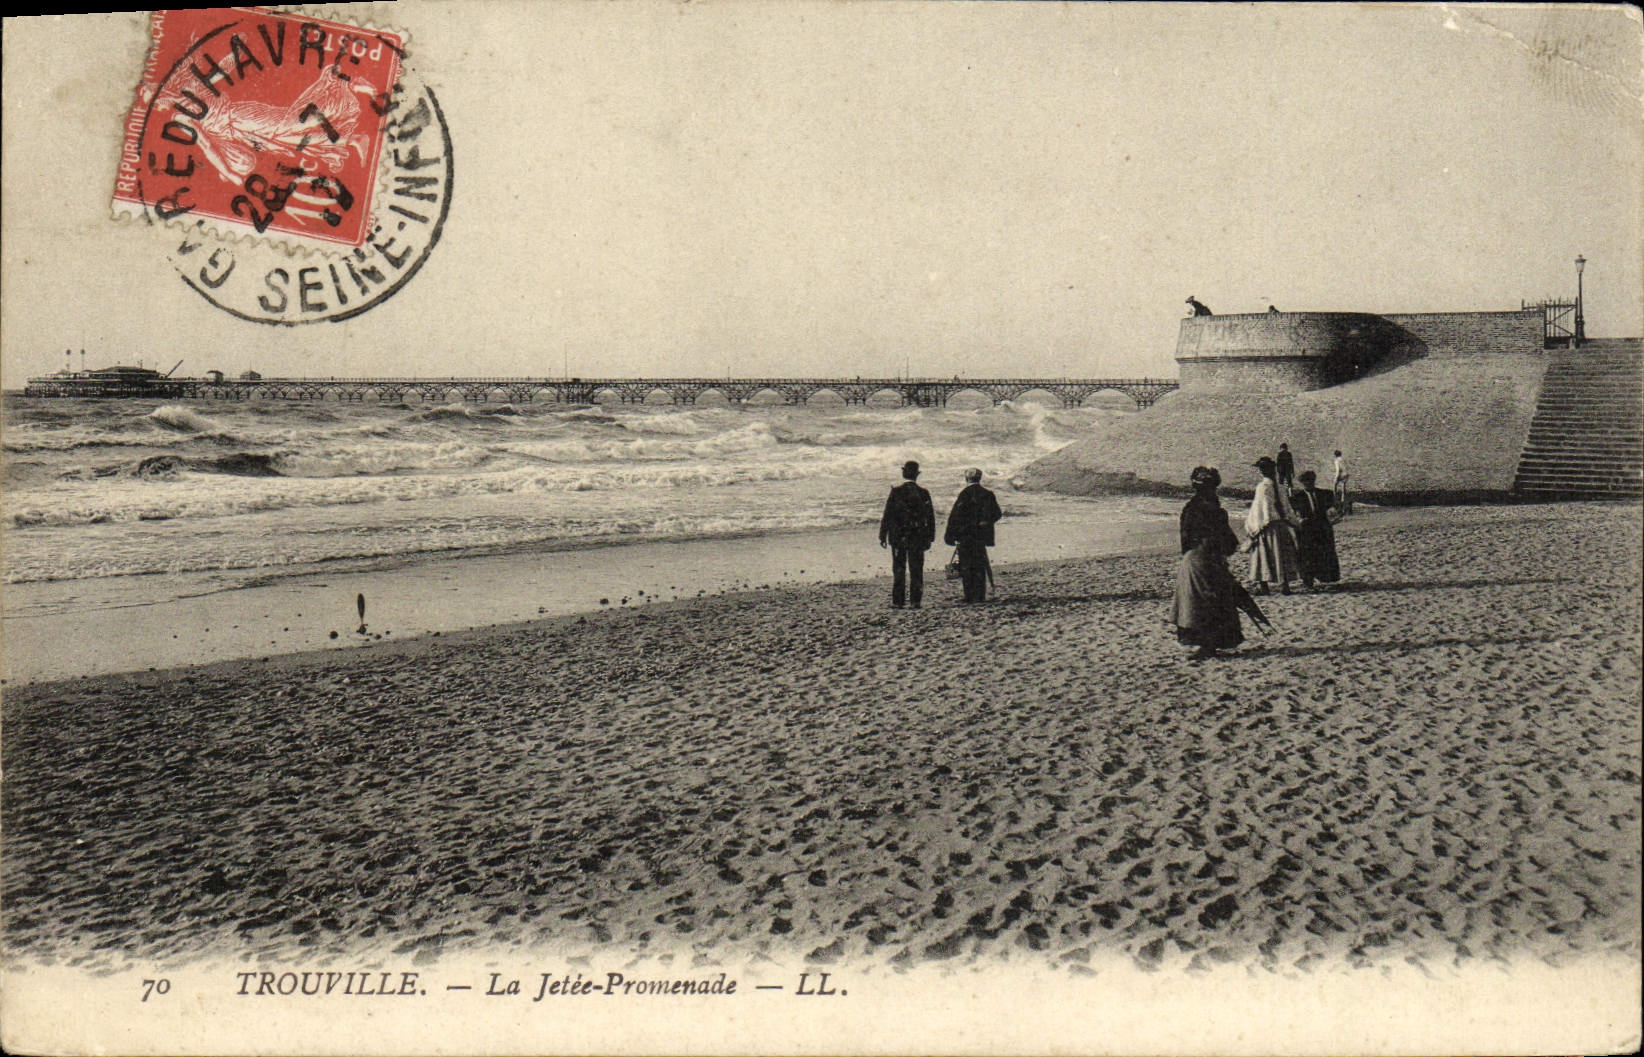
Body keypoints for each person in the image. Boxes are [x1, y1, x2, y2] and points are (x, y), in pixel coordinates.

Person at [1172, 466, 1272, 660]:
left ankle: (1200, 645)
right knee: (1215, 602)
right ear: (1213, 487)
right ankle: (1210, 646)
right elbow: (1229, 543)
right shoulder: (1217, 511)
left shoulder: (1189, 508)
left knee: (1194, 604)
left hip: (1191, 562)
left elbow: (1185, 540)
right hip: (1209, 560)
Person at [879, 460, 936, 609]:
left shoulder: (896, 492)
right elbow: (930, 517)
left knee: (899, 569)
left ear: (904, 473)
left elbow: (887, 515)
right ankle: (915, 601)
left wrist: (882, 535)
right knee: (916, 569)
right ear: (917, 475)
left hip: (898, 537)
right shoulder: (924, 493)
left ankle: (898, 602)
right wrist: (930, 536)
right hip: (917, 536)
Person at [943, 468, 1003, 603]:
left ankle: (969, 595)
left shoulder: (964, 494)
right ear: (980, 478)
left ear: (966, 479)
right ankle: (980, 595)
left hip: (965, 535)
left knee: (966, 565)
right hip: (981, 536)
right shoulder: (987, 494)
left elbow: (954, 517)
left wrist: (950, 536)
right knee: (980, 565)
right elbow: (997, 513)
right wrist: (985, 523)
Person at [1245, 456, 1300, 595]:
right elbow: (1286, 508)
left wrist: (1256, 526)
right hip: (1281, 525)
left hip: (1268, 526)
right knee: (1282, 555)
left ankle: (1264, 586)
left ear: (1262, 471)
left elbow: (1260, 509)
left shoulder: (1262, 487)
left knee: (1263, 555)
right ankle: (1284, 586)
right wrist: (1294, 523)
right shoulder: (1281, 487)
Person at [1290, 470, 1340, 589]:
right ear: (1302, 483)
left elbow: (1333, 509)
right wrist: (1298, 521)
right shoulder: (1296, 498)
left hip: (1322, 528)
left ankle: (1325, 578)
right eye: (1305, 482)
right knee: (1307, 556)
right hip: (1306, 530)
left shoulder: (1325, 494)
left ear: (1314, 481)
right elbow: (1292, 515)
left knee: (1324, 553)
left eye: (1310, 481)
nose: (1308, 484)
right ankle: (1308, 581)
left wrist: (1332, 514)